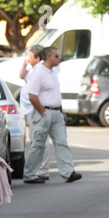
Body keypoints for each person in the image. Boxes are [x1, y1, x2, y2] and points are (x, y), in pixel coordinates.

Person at [23, 46, 82, 184]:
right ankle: (29, 174)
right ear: (48, 57)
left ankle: (68, 173)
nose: (59, 58)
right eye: (56, 56)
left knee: (62, 142)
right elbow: (32, 96)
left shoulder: (53, 71)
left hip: (56, 112)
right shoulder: (38, 73)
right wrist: (43, 112)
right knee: (38, 145)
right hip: (43, 112)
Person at [19, 44, 49, 180]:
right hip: (28, 109)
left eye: (30, 57)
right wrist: (25, 64)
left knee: (38, 141)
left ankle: (41, 170)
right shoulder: (33, 69)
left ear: (37, 58)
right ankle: (39, 169)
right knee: (35, 141)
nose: (28, 58)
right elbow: (21, 76)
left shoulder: (41, 70)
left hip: (34, 109)